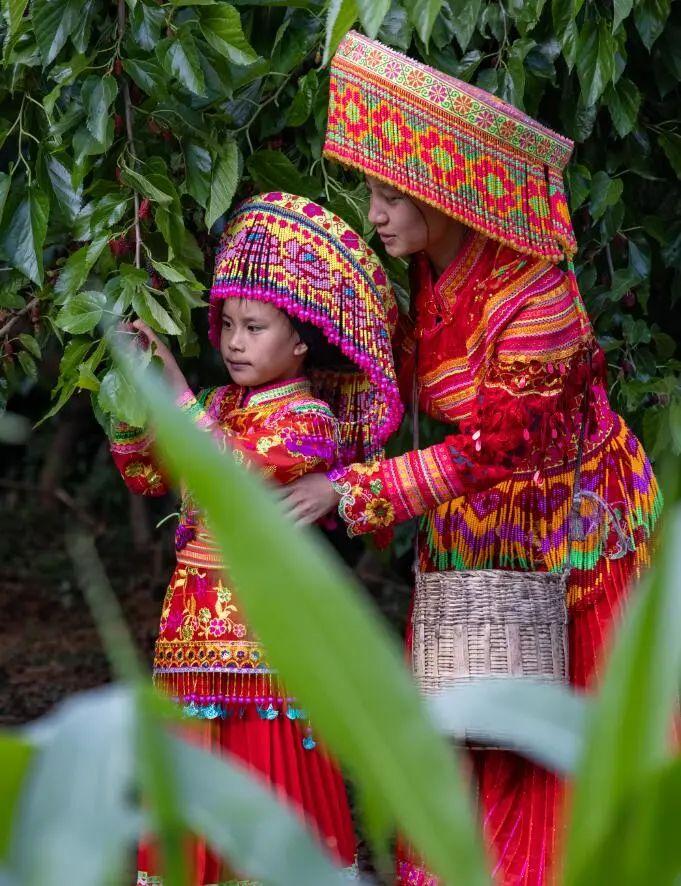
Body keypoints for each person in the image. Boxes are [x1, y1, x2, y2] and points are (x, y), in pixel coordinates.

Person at [281, 32, 662, 886]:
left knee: (556, 747)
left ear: (443, 195)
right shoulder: (414, 274)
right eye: (371, 194)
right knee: (467, 724)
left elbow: (493, 451)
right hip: (471, 548)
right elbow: (374, 385)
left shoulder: (538, 299)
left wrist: (349, 489)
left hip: (571, 541)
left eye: (388, 197)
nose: (373, 215)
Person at [108, 191, 403, 885]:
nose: (234, 342)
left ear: (300, 337)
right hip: (191, 630)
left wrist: (172, 387)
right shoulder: (218, 406)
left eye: (255, 327)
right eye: (228, 326)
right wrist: (128, 400)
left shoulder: (309, 421)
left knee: (270, 779)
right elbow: (150, 474)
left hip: (267, 639)